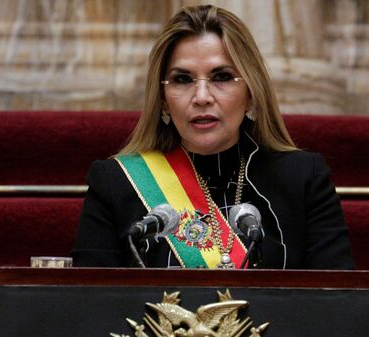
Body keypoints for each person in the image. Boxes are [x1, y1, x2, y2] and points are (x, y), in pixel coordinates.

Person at [72, 5, 353, 270]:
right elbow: (91, 307)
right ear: (163, 100)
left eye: (221, 77)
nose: (202, 97)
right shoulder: (117, 183)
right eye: (183, 79)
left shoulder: (303, 179)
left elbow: (338, 303)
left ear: (252, 92)